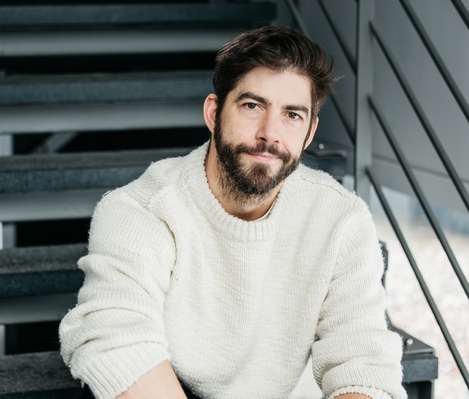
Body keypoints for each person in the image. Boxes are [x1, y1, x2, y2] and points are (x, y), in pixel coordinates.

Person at [59, 26, 406, 399]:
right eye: (252, 106)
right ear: (214, 113)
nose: (270, 133)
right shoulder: (140, 210)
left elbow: (364, 365)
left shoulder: (341, 220)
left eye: (292, 115)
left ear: (309, 134)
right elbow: (115, 338)